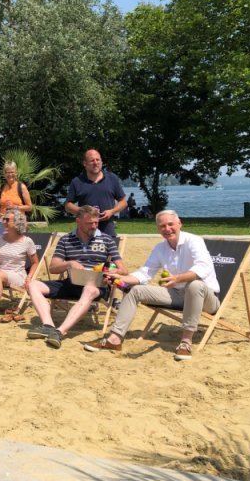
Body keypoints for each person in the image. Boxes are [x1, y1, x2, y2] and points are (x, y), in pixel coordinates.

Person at [84, 210, 220, 361]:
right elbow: (145, 273)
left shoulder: (194, 241)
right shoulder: (160, 248)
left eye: (170, 224)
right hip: (177, 294)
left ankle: (185, 342)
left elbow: (203, 268)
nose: (167, 229)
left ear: (179, 223)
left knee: (195, 285)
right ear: (158, 229)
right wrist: (121, 277)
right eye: (162, 226)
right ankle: (114, 339)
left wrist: (178, 278)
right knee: (135, 290)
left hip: (206, 299)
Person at [26, 205, 126, 349]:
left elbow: (123, 269)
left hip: (97, 285)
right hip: (72, 283)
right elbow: (53, 267)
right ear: (78, 222)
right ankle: (48, 325)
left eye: (96, 223)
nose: (94, 226)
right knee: (33, 285)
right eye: (89, 223)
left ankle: (60, 331)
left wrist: (109, 270)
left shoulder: (107, 240)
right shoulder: (66, 240)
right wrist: (70, 263)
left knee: (90, 288)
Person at [0, 210, 42, 326]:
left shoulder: (27, 241)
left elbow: (35, 262)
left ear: (17, 223)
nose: (4, 222)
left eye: (7, 219)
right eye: (3, 219)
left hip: (17, 275)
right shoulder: (0, 238)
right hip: (2, 274)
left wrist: (29, 277)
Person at [65, 149, 127, 237]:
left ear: (101, 161)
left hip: (108, 231)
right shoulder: (77, 181)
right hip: (85, 233)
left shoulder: (112, 178)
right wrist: (84, 212)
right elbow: (68, 206)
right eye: (92, 160)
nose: (95, 163)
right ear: (85, 164)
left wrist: (112, 212)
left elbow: (123, 202)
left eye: (98, 160)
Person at [0, 161, 33, 237]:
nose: (10, 174)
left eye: (12, 172)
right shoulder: (0, 188)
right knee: (1, 247)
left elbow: (29, 207)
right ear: (4, 174)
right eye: (7, 172)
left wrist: (16, 207)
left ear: (16, 172)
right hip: (2, 222)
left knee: (19, 247)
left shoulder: (21, 187)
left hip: (18, 222)